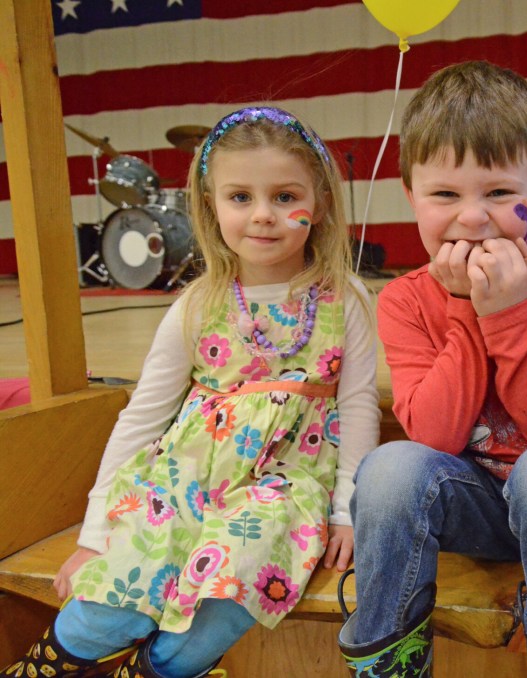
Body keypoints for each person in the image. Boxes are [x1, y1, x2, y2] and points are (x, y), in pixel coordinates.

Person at [3, 107, 380, 678]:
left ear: (320, 202)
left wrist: (347, 508)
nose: (263, 215)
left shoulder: (344, 297)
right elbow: (141, 419)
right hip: (186, 476)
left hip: (284, 486)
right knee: (111, 597)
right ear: (209, 205)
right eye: (240, 197)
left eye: (284, 197)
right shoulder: (198, 303)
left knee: (231, 588)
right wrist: (96, 533)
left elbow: (355, 407)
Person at [336, 61, 527, 678]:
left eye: (499, 194)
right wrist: (467, 310)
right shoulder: (404, 299)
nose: (473, 218)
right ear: (411, 196)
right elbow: (435, 438)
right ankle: (388, 660)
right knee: (389, 467)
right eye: (445, 195)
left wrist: (511, 313)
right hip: (472, 500)